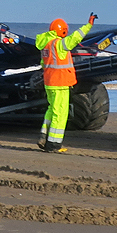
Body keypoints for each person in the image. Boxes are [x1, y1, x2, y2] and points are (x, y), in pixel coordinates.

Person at [36, 14, 95, 153]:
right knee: (60, 114)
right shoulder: (59, 44)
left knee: (51, 110)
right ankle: (53, 145)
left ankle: (44, 136)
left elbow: (44, 64)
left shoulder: (46, 44)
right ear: (63, 30)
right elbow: (76, 37)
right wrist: (89, 25)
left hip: (49, 83)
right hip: (60, 83)